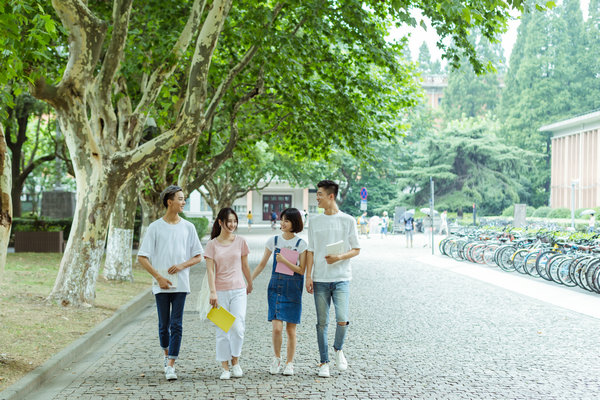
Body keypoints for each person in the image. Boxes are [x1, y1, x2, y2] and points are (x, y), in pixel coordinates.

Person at [137, 185, 204, 381]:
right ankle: (166, 355)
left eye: (184, 199)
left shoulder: (188, 227)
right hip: (161, 285)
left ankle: (171, 364)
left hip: (181, 284)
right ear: (169, 202)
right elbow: (142, 257)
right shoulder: (155, 227)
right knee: (163, 325)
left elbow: (199, 256)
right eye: (180, 199)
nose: (183, 202)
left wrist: (182, 265)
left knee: (177, 324)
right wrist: (158, 277)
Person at [306, 180, 360, 378]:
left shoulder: (348, 220)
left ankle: (338, 349)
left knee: (342, 319)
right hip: (320, 278)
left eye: (319, 194)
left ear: (331, 196)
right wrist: (308, 277)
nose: (317, 197)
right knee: (321, 323)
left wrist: (339, 257)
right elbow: (310, 250)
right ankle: (323, 362)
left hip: (341, 278)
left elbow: (356, 249)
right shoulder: (314, 221)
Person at [251, 208, 307, 376]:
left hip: (293, 288)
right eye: (282, 220)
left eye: (287, 221)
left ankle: (290, 363)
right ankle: (276, 358)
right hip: (276, 287)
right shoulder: (273, 241)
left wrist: (284, 260)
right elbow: (261, 264)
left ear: (294, 223)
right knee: (276, 328)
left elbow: (302, 270)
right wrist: (249, 280)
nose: (282, 223)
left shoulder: (301, 244)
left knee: (291, 329)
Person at [205, 208, 253, 380]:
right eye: (229, 221)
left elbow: (245, 266)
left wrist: (250, 282)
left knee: (238, 327)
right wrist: (213, 292)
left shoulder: (241, 241)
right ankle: (225, 367)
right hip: (219, 291)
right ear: (220, 222)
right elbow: (210, 271)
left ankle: (236, 362)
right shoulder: (211, 245)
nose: (232, 225)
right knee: (222, 330)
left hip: (238, 289)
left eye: (234, 221)